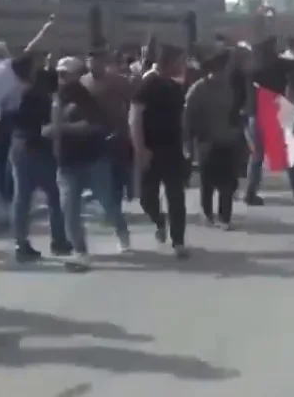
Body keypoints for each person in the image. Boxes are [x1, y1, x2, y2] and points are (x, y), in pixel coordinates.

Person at [46, 57, 131, 272]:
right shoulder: (56, 98)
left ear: (77, 75)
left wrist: (60, 128)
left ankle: (121, 231)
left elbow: (93, 126)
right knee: (69, 210)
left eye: (66, 73)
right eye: (60, 73)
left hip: (93, 161)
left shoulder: (87, 98)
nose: (62, 78)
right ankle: (80, 251)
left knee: (108, 205)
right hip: (66, 164)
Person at [0, 16, 54, 202]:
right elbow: (30, 49)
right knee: (14, 154)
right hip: (13, 114)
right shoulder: (11, 66)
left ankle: (2, 190)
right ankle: (14, 190)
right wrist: (45, 29)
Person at [8, 48, 72, 262]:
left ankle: (21, 244)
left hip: (18, 145)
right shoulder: (35, 94)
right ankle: (59, 241)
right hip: (38, 147)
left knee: (22, 199)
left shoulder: (12, 92)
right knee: (53, 196)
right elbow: (47, 124)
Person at [129, 44, 189, 258]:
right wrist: (140, 149)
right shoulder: (146, 85)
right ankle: (159, 220)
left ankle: (178, 241)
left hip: (172, 150)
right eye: (179, 62)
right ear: (168, 62)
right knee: (147, 197)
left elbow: (181, 119)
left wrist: (186, 146)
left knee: (176, 197)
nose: (182, 66)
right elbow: (134, 119)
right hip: (150, 150)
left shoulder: (174, 87)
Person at [243, 36, 294, 206]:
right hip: (275, 110)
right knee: (291, 150)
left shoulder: (251, 69)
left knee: (257, 155)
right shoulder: (277, 64)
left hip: (254, 114)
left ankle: (250, 193)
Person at [184, 51, 240, 229]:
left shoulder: (230, 87)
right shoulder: (198, 89)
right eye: (217, 70)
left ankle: (225, 217)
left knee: (228, 183)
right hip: (207, 141)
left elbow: (237, 111)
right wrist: (188, 142)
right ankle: (207, 213)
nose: (220, 74)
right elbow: (187, 116)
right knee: (207, 181)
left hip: (229, 140)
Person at [81, 49, 136, 206]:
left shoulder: (117, 81)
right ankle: (106, 205)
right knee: (98, 171)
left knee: (117, 171)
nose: (93, 65)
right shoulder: (83, 82)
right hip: (92, 133)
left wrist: (127, 126)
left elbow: (131, 102)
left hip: (115, 131)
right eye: (90, 61)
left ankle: (116, 203)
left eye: (96, 61)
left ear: (103, 63)